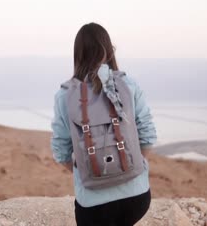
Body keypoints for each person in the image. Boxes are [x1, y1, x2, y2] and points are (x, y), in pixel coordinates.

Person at [50, 22, 157, 226]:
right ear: (108, 50)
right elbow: (148, 135)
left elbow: (60, 151)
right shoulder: (129, 85)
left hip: (93, 207)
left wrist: (90, 171)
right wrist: (128, 167)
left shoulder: (64, 95)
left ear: (78, 54)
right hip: (137, 198)